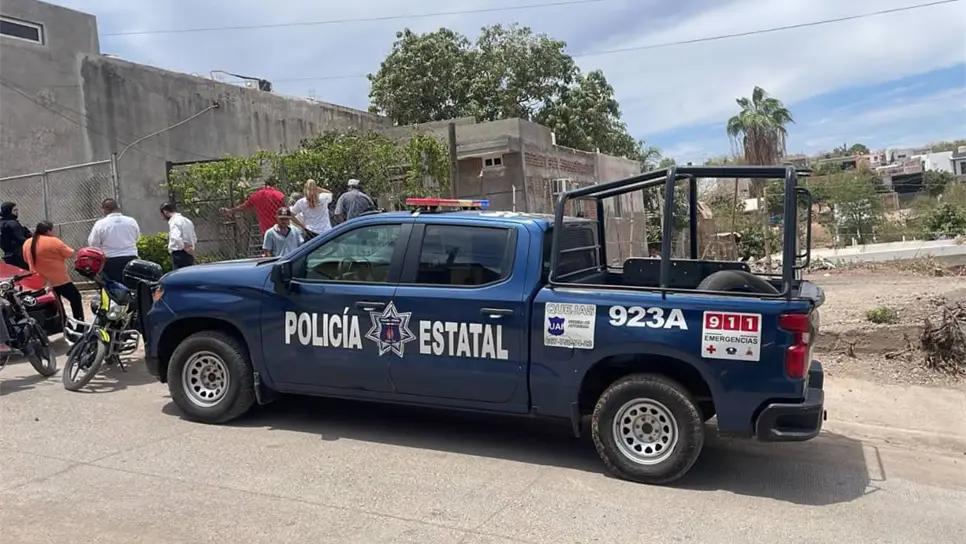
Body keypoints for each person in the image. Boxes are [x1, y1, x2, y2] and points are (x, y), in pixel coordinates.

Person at [22, 221, 84, 321]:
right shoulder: (53, 241)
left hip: (41, 281)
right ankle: (80, 323)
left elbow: (25, 259)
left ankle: (63, 322)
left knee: (57, 304)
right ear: (47, 231)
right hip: (59, 279)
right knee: (75, 298)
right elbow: (70, 254)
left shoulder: (27, 243)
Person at [87, 198, 140, 283]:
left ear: (104, 210)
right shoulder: (131, 221)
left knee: (113, 288)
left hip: (111, 260)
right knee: (131, 285)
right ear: (117, 207)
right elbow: (136, 238)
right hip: (131, 258)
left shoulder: (101, 224)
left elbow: (93, 244)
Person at [221, 178, 286, 235]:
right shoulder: (279, 195)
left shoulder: (256, 195)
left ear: (265, 185)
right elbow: (286, 210)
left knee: (268, 247)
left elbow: (243, 206)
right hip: (280, 227)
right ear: (275, 185)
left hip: (265, 229)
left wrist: (230, 210)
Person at [160, 202, 197, 270]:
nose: (162, 217)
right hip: (189, 254)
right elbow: (194, 238)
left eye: (162, 215)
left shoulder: (174, 221)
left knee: (179, 278)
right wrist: (190, 249)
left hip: (179, 254)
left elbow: (176, 238)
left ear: (165, 212)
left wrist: (184, 247)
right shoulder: (187, 221)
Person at [0, 201, 32, 270]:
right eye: (14, 210)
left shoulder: (2, 223)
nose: (17, 212)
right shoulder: (12, 223)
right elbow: (20, 239)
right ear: (8, 211)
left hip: (8, 255)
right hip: (19, 255)